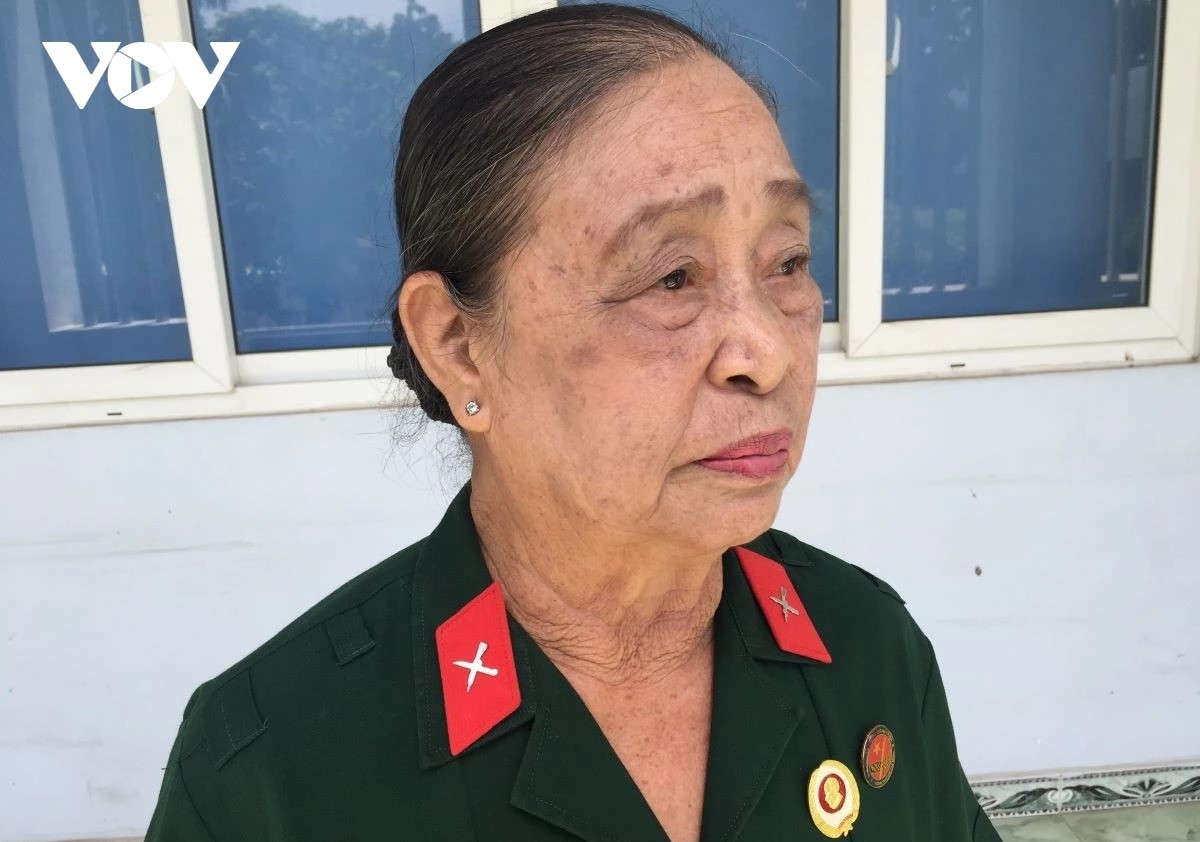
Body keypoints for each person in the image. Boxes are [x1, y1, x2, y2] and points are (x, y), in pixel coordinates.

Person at [144, 5, 1001, 840]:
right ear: (458, 347)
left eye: (788, 261)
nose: (768, 353)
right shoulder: (273, 769)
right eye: (673, 277)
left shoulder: (863, 645)